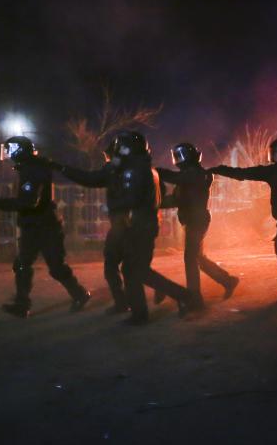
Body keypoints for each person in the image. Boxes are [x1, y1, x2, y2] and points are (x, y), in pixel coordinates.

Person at [55, 132, 192, 324]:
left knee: (134, 270)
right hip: (139, 225)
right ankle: (148, 309)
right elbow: (94, 179)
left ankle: (169, 301)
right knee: (133, 269)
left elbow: (132, 198)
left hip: (139, 226)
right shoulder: (143, 168)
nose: (118, 151)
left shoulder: (136, 170)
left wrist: (112, 206)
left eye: (121, 147)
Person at [0, 135, 90, 318]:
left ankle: (80, 294)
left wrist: (2, 204)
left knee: (56, 267)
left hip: (44, 227)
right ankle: (22, 304)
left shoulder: (33, 169)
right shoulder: (31, 167)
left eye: (11, 149)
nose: (8, 153)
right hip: (35, 225)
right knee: (22, 264)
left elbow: (29, 201)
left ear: (20, 150)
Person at [210, 138, 277, 301]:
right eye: (271, 153)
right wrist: (221, 169)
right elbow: (245, 174)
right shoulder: (272, 172)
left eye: (275, 153)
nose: (272, 156)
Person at [156, 142, 239, 307]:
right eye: (176, 156)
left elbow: (174, 178)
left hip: (197, 220)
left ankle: (194, 298)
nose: (177, 160)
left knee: (190, 258)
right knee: (198, 258)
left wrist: (154, 171)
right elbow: (177, 199)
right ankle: (228, 281)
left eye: (180, 156)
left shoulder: (196, 174)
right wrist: (156, 202)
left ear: (188, 157)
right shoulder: (188, 176)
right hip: (193, 220)